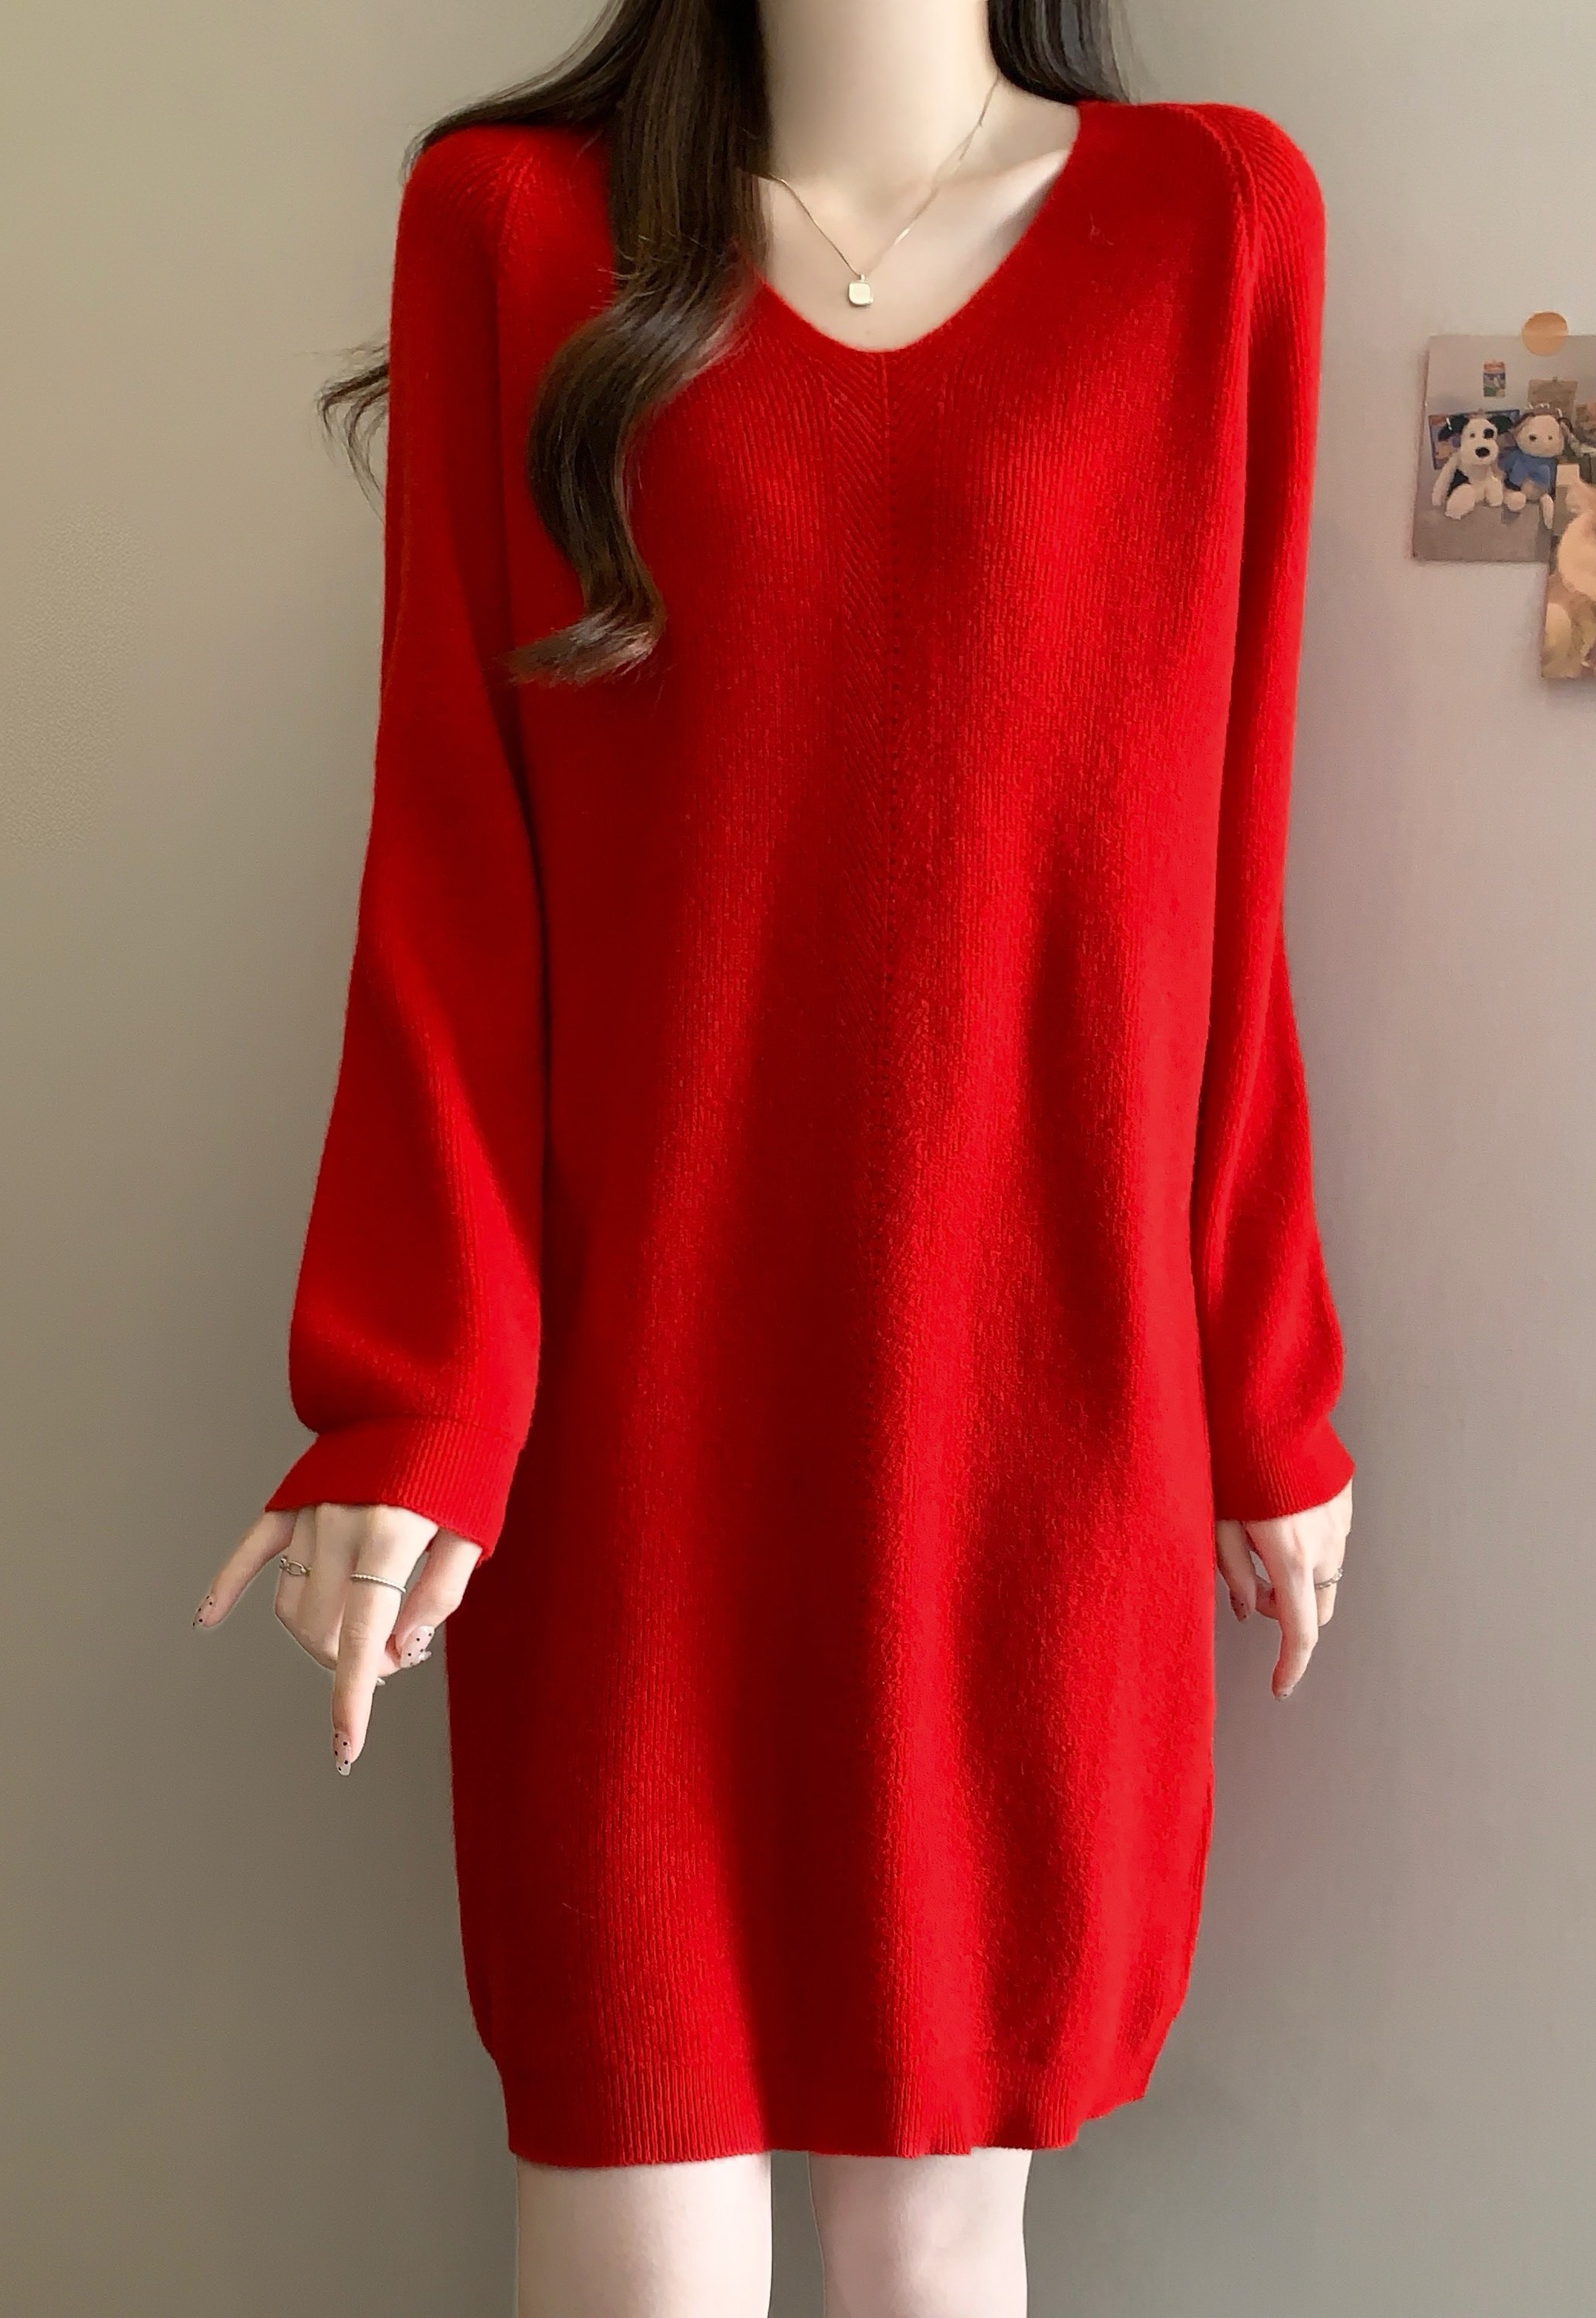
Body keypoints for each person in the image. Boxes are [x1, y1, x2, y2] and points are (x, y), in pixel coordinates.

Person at [194, 2, 1355, 2308]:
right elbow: (453, 859)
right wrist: (415, 1397)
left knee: (941, 2223)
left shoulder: (1212, 224)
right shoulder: (514, 225)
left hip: (1041, 1406)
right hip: (640, 1412)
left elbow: (1225, 876)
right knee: (634, 2152)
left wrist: (1264, 1386)